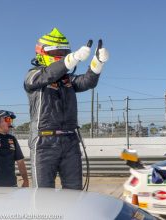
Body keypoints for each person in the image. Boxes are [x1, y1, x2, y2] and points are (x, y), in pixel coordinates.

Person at [24, 28, 109, 189]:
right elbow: (48, 75)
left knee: (74, 192)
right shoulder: (33, 75)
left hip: (70, 140)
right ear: (42, 52)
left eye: (64, 52)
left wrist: (98, 63)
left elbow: (88, 82)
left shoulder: (66, 79)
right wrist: (72, 58)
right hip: (43, 142)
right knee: (42, 194)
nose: (62, 55)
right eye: (58, 51)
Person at [0, 110, 29, 187]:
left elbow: (20, 161)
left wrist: (26, 180)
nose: (10, 122)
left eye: (11, 120)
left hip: (11, 185)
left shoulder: (12, 139)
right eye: (7, 119)